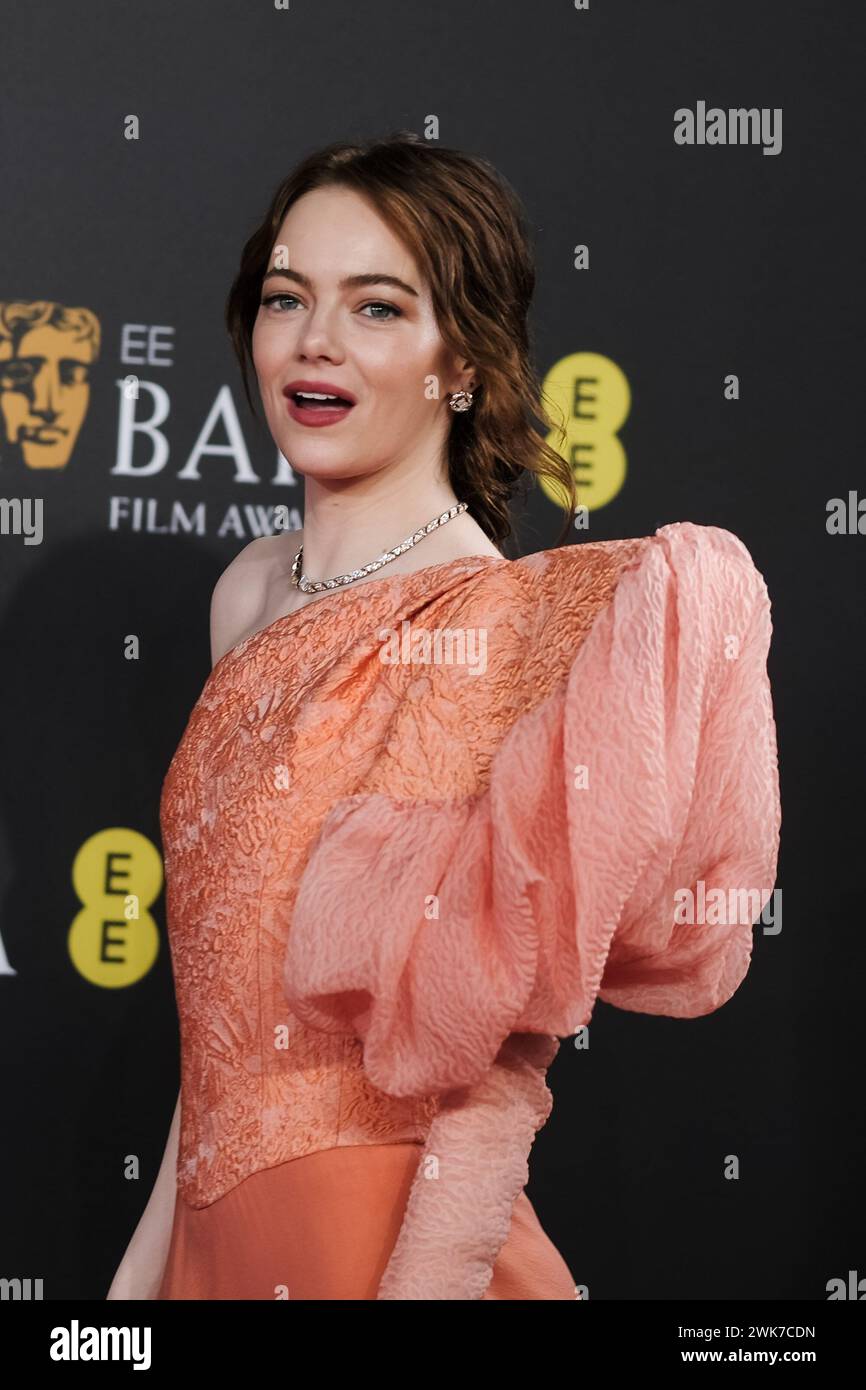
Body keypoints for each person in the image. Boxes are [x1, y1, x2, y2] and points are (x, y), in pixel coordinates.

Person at [107, 132, 781, 1301]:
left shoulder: (505, 630)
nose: (313, 341)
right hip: (214, 1244)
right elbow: (219, 1036)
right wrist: (133, 1290)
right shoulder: (248, 592)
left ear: (459, 358)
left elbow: (495, 1061)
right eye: (285, 298)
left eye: (375, 307)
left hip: (382, 1247)